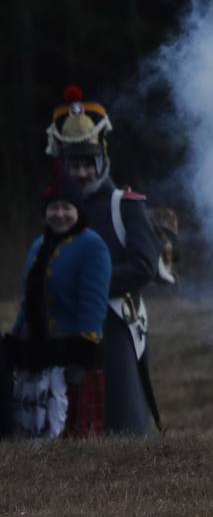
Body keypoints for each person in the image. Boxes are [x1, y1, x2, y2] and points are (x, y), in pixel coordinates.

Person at [44, 85, 165, 435]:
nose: (81, 173)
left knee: (122, 425)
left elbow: (144, 266)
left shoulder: (125, 205)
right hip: (66, 325)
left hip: (115, 324)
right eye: (73, 164)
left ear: (102, 161)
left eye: (87, 163)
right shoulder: (59, 211)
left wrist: (91, 288)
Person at [3, 183, 112, 439]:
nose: (59, 213)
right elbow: (28, 300)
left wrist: (83, 351)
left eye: (67, 207)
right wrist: (16, 338)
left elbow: (93, 304)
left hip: (69, 357)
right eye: (54, 207)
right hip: (36, 354)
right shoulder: (38, 245)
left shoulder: (92, 246)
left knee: (70, 440)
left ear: (78, 211)